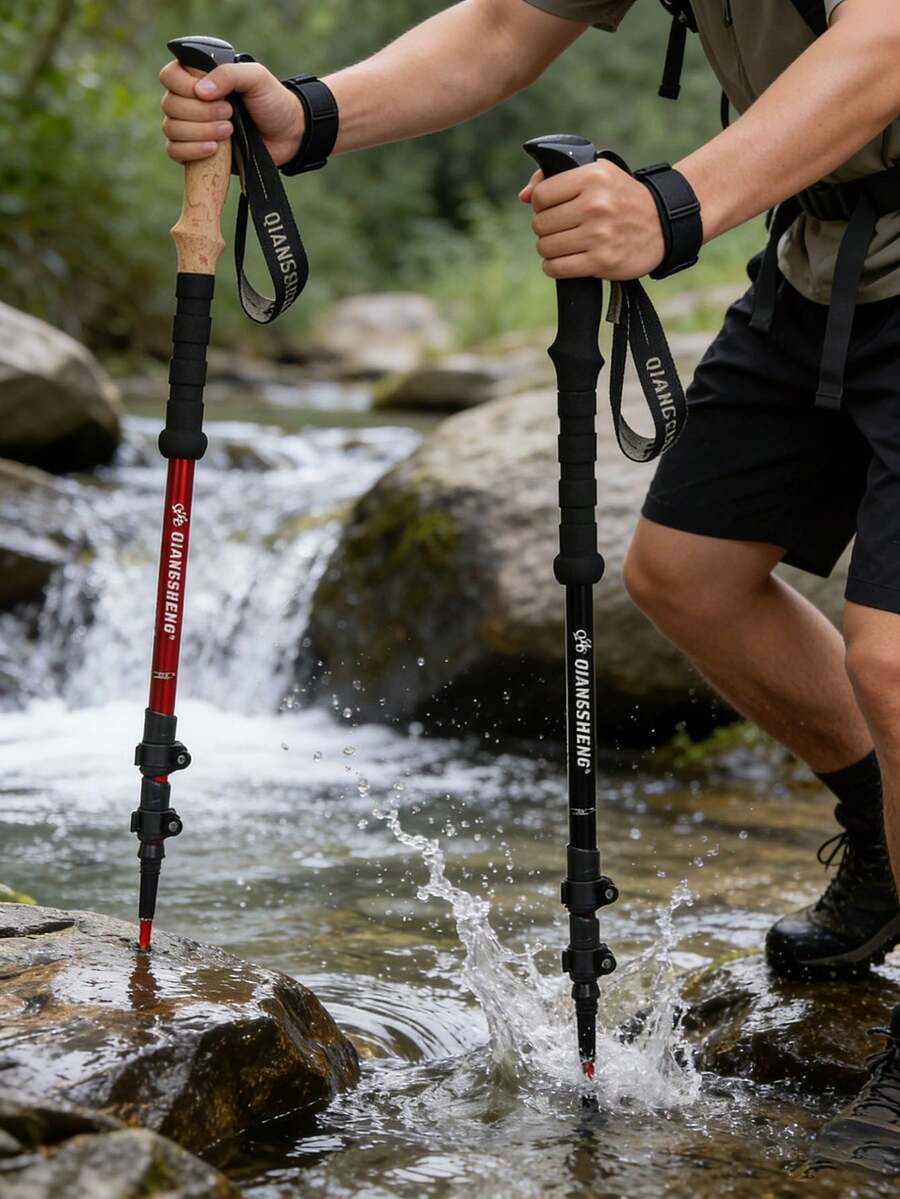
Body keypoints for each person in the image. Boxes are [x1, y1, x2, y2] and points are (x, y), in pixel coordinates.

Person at [159, 0, 900, 1169]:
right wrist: (311, 114)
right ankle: (884, 837)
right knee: (687, 575)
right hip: (825, 257)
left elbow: (886, 38)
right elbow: (508, 21)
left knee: (891, 654)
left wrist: (671, 206)